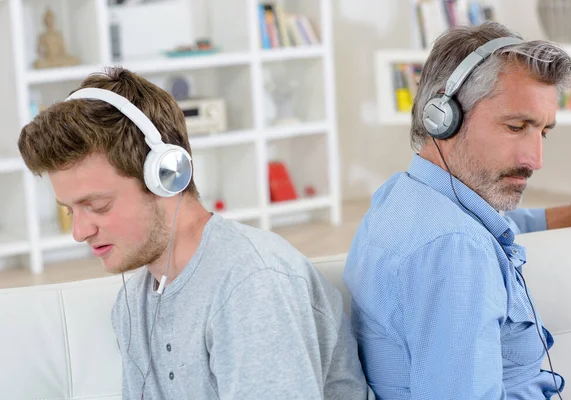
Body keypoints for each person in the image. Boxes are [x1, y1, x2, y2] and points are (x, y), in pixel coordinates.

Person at [18, 67, 373, 399]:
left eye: (97, 206)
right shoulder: (133, 303)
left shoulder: (250, 285)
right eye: (69, 211)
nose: (79, 232)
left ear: (167, 175)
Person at [344, 21, 571, 399]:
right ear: (444, 117)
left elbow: (497, 226)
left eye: (542, 131)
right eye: (516, 127)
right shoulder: (455, 249)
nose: (536, 159)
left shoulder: (403, 198)